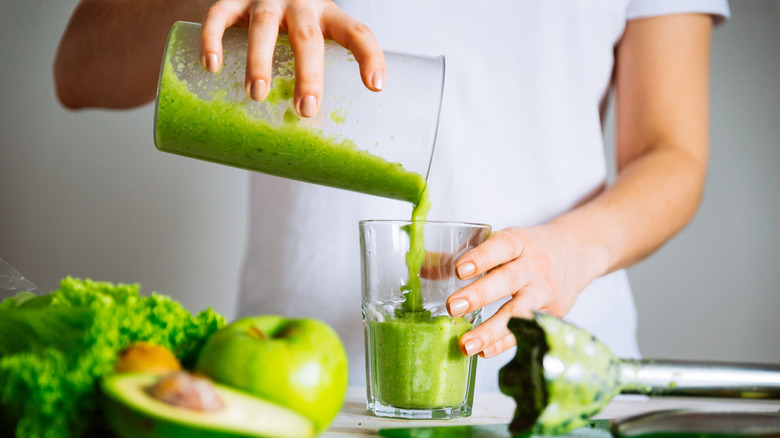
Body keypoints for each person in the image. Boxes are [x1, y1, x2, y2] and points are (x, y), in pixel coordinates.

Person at [54, 0, 730, 391]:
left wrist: (569, 254)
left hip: (549, 379)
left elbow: (672, 153)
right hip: (291, 386)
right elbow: (78, 70)